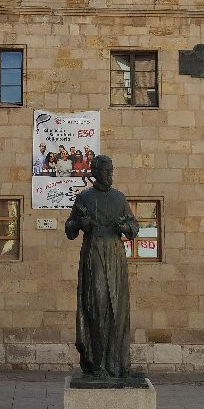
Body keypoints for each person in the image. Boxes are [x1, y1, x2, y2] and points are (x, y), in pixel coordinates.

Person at [64, 155, 138, 378]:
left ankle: (116, 362)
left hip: (115, 255)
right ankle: (96, 362)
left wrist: (124, 225)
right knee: (96, 306)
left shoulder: (119, 197)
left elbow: (134, 229)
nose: (110, 175)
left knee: (117, 308)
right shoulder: (84, 198)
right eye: (106, 171)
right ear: (96, 172)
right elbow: (70, 230)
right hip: (94, 252)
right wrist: (79, 223)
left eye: (111, 171)